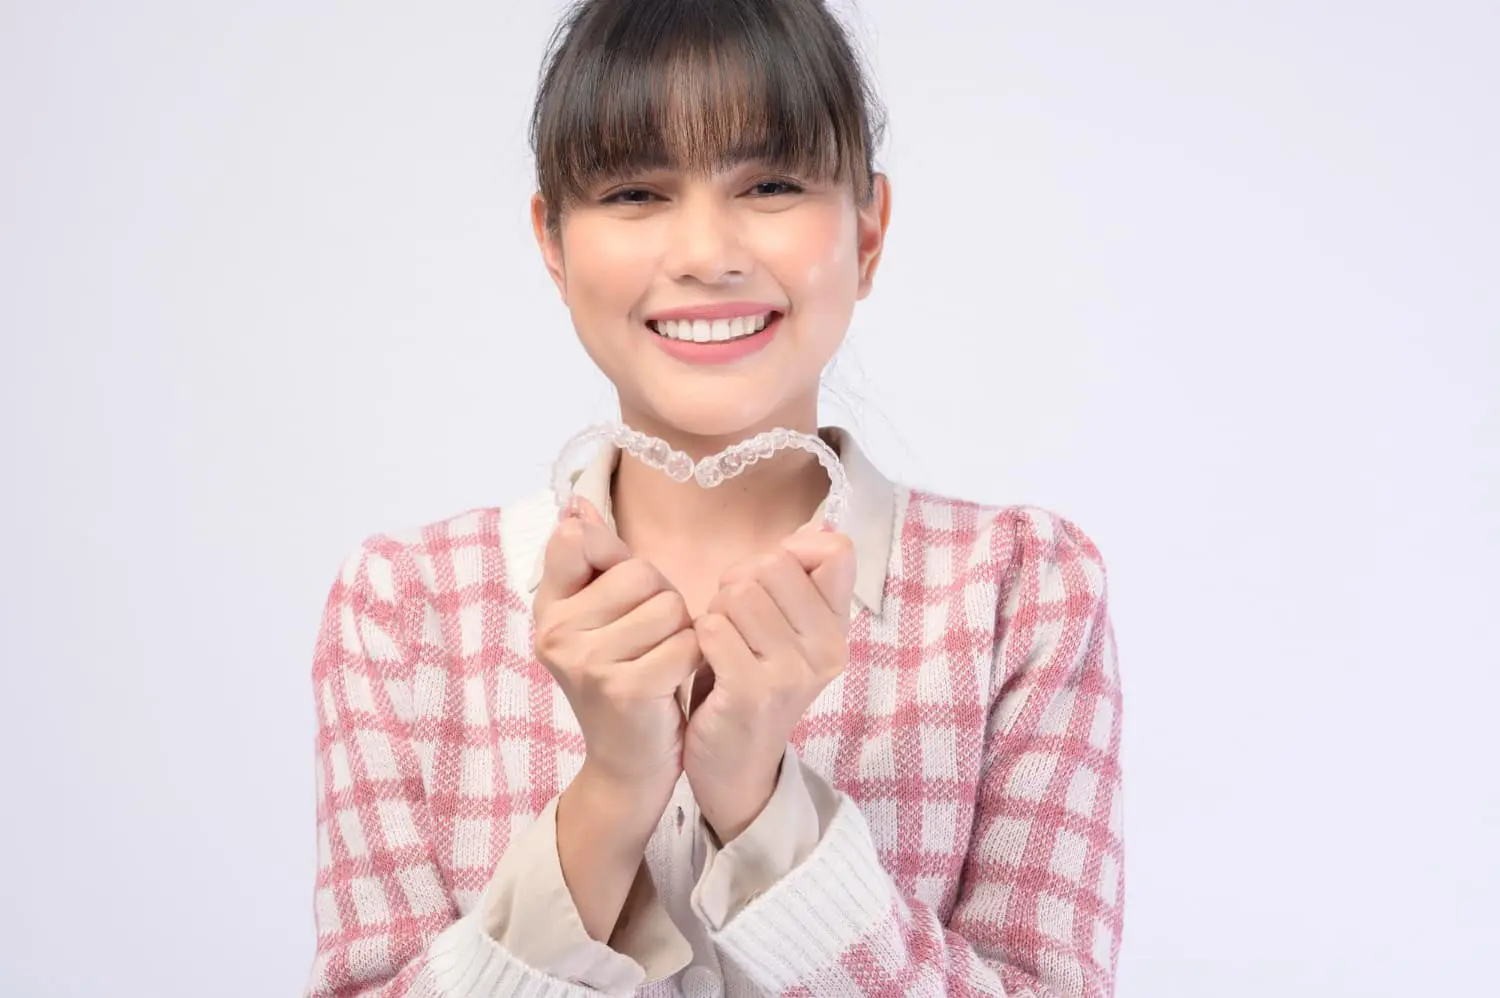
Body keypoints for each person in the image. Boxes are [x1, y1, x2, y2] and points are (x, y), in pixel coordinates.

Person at [304, 1, 1124, 995]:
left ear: (868, 231)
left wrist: (759, 801)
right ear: (552, 243)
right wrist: (611, 795)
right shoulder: (407, 609)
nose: (706, 251)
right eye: (637, 191)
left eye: (771, 183)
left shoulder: (1019, 594)